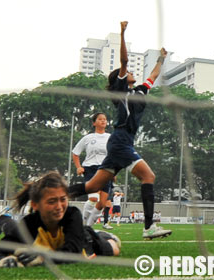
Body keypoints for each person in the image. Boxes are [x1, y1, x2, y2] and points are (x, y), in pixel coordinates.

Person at [68, 21, 171, 239]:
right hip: (121, 140)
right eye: (128, 71)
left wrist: (162, 58)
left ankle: (49, 195)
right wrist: (123, 33)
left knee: (92, 185)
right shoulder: (120, 90)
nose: (131, 72)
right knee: (148, 176)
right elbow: (124, 60)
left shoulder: (141, 90)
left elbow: (153, 73)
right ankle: (148, 227)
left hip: (121, 143)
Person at [0, 171, 121, 268]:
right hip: (43, 234)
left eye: (63, 200)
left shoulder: (72, 214)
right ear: (35, 205)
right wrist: (2, 260)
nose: (59, 206)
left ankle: (104, 235)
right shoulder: (30, 222)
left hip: (85, 240)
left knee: (115, 248)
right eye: (52, 201)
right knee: (13, 230)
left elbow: (72, 252)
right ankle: (3, 219)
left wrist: (43, 258)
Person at [72, 112, 114, 229]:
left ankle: (88, 228)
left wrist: (114, 171)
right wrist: (79, 167)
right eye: (100, 119)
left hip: (106, 169)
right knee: (94, 198)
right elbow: (75, 153)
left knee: (102, 203)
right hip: (90, 169)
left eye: (105, 119)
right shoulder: (88, 138)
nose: (103, 121)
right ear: (94, 123)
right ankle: (83, 223)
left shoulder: (110, 137)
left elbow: (114, 155)